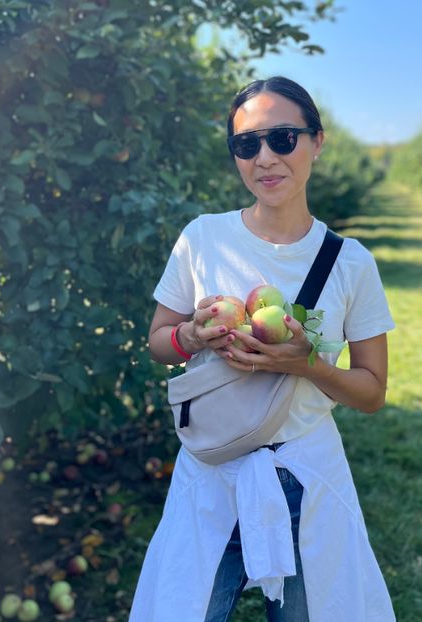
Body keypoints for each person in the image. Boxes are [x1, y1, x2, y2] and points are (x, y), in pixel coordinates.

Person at [129, 76, 396, 622]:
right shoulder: (203, 238)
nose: (265, 158)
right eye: (247, 144)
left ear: (317, 141)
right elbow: (160, 342)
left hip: (306, 473)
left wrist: (309, 366)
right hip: (211, 470)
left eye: (283, 138)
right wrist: (192, 337)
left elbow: (371, 393)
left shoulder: (350, 264)